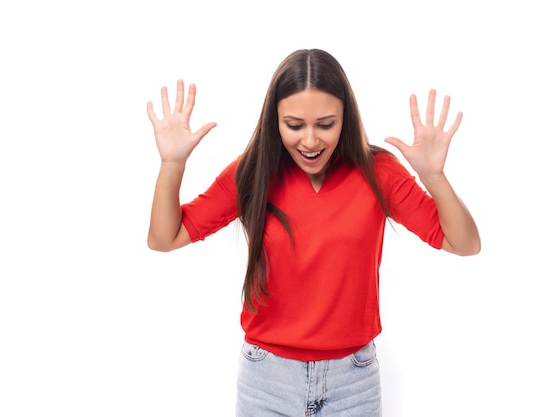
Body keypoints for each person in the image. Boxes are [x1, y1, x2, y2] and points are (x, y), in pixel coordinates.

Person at [146, 48, 480, 417]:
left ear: (345, 119)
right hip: (266, 380)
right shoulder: (252, 174)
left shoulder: (379, 172)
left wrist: (434, 177)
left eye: (325, 125)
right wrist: (172, 164)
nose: (309, 141)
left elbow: (464, 243)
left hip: (353, 382)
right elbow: (165, 238)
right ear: (274, 120)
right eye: (294, 125)